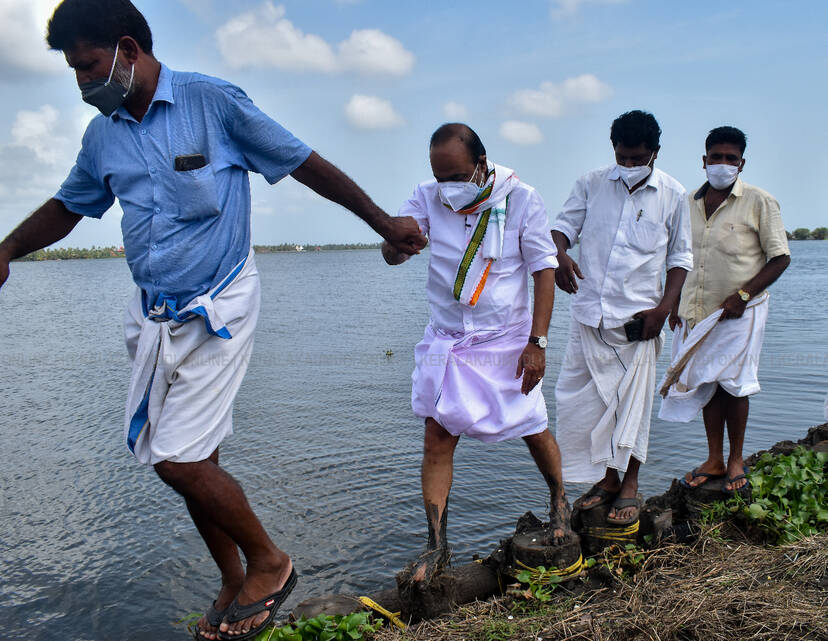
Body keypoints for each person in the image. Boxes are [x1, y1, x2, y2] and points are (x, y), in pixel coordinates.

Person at [0, 1, 426, 640]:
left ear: (126, 49)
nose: (83, 84)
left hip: (219, 304)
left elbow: (304, 163)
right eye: (73, 72)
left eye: (88, 67)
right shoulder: (104, 134)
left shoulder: (211, 104)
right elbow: (70, 205)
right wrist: (6, 250)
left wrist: (383, 224)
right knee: (199, 463)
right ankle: (232, 578)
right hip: (151, 315)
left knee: (177, 458)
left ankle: (272, 564)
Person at [383, 123, 573, 583]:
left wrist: (538, 343)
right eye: (438, 176)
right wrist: (396, 243)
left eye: (455, 175)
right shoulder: (427, 196)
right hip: (446, 340)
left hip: (507, 340)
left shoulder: (521, 198)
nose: (446, 186)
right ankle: (436, 545)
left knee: (533, 424)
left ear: (481, 165)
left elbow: (544, 272)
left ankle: (560, 505)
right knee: (437, 435)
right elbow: (392, 254)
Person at [551, 110, 693, 526]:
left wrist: (664, 309)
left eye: (638, 159)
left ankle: (629, 484)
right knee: (584, 403)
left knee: (632, 405)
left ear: (655, 152)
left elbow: (680, 259)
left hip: (640, 320)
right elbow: (562, 229)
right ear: (613, 149)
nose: (629, 166)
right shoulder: (592, 183)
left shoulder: (673, 194)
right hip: (589, 315)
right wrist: (559, 255)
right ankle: (606, 480)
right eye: (623, 158)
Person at [659, 126, 790, 492]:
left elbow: (780, 258)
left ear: (741, 163)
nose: (722, 164)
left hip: (739, 311)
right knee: (706, 382)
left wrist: (744, 295)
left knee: (734, 385)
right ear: (704, 161)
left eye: (730, 159)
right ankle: (714, 458)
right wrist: (673, 302)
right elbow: (677, 257)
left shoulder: (759, 202)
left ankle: (735, 461)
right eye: (716, 157)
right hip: (695, 312)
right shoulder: (686, 203)